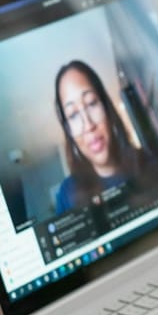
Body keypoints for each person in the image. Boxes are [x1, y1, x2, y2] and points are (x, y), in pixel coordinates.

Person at [52, 60, 149, 215]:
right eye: (73, 115)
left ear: (106, 107)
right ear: (68, 131)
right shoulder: (67, 195)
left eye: (91, 103)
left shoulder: (148, 161)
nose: (88, 125)